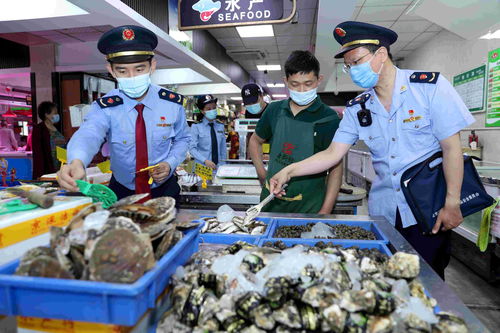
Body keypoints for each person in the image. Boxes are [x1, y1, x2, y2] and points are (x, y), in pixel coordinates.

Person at [270, 21, 475, 279]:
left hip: (427, 210)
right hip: (384, 213)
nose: (352, 70)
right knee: (386, 280)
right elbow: (332, 154)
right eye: (348, 65)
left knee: (428, 280)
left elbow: (452, 148)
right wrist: (289, 170)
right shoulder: (358, 108)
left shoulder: (429, 88)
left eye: (356, 61)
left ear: (381, 54)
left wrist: (452, 202)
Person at [57, 25, 191, 201]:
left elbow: (183, 139)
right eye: (122, 71)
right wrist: (76, 161)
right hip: (121, 191)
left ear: (152, 66)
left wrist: (170, 163)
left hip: (164, 189)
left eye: (139, 69)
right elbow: (89, 134)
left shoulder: (172, 103)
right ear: (111, 71)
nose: (132, 76)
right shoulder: (106, 107)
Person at [249, 50, 343, 214]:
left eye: (308, 84)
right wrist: (261, 172)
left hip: (309, 206)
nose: (301, 90)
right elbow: (255, 140)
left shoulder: (329, 118)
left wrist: (325, 211)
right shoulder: (274, 110)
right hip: (270, 202)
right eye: (294, 84)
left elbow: (335, 168)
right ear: (286, 81)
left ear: (318, 80)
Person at [189, 95, 227, 170]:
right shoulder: (196, 127)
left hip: (218, 168)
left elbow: (223, 149)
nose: (212, 110)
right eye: (208, 109)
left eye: (214, 108)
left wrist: (223, 165)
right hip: (202, 168)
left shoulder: (220, 126)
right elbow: (192, 149)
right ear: (202, 111)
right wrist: (205, 160)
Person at [32, 101, 67, 179]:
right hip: (49, 167)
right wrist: (39, 175)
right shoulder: (39, 129)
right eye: (54, 113)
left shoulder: (58, 128)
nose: (57, 115)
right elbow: (38, 153)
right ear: (46, 114)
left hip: (61, 165)